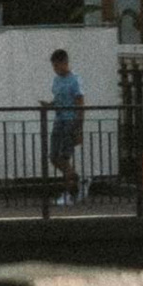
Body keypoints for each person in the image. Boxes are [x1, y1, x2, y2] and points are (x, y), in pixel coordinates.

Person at [47, 47, 86, 206]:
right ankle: (76, 179)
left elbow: (80, 104)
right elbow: (58, 99)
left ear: (65, 63)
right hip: (59, 120)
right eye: (54, 66)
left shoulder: (75, 80)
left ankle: (71, 190)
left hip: (70, 121)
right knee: (53, 157)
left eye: (57, 65)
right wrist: (50, 104)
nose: (55, 69)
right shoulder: (56, 80)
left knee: (64, 157)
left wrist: (78, 128)